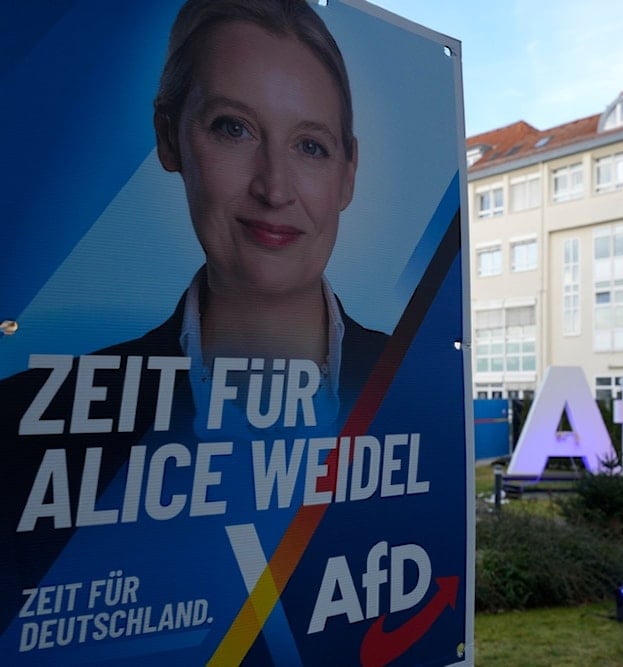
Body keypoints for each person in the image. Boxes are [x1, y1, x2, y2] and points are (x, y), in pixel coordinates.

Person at [0, 0, 387, 633]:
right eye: (234, 128)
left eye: (310, 146)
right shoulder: (27, 424)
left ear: (348, 174)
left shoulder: (413, 388)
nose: (274, 187)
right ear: (169, 136)